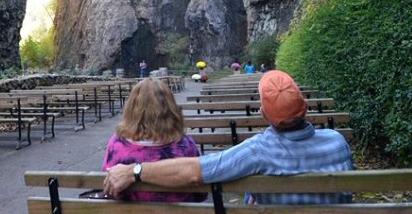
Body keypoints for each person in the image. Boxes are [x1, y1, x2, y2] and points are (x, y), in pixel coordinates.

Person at [104, 70, 353, 205]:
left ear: (264, 113)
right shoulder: (337, 141)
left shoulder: (258, 151)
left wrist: (134, 171)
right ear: (305, 106)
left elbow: (195, 172)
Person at [101, 78, 206, 202]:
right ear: (170, 107)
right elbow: (200, 193)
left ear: (131, 107)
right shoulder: (185, 144)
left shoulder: (116, 144)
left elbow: (109, 186)